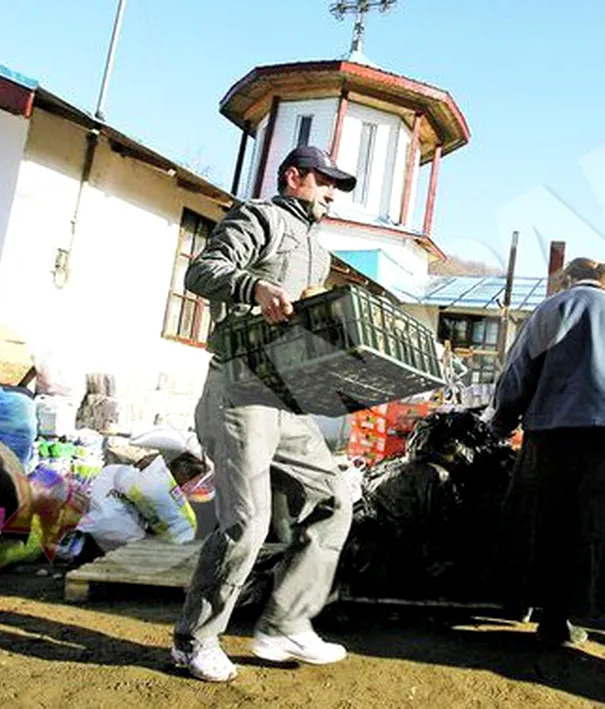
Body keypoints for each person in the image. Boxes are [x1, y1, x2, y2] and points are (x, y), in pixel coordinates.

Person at [171, 145, 358, 682]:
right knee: (247, 522)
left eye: (337, 187)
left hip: (287, 396)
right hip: (240, 388)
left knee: (334, 499)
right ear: (293, 177)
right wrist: (255, 285)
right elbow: (204, 271)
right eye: (324, 182)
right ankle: (195, 639)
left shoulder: (317, 252)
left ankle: (285, 624)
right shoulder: (260, 217)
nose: (331, 193)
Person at [490, 257, 605, 647]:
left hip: (550, 438)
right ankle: (565, 619)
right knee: (589, 529)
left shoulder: (551, 309)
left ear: (568, 279)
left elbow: (519, 372)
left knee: (542, 526)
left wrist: (501, 423)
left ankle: (529, 607)